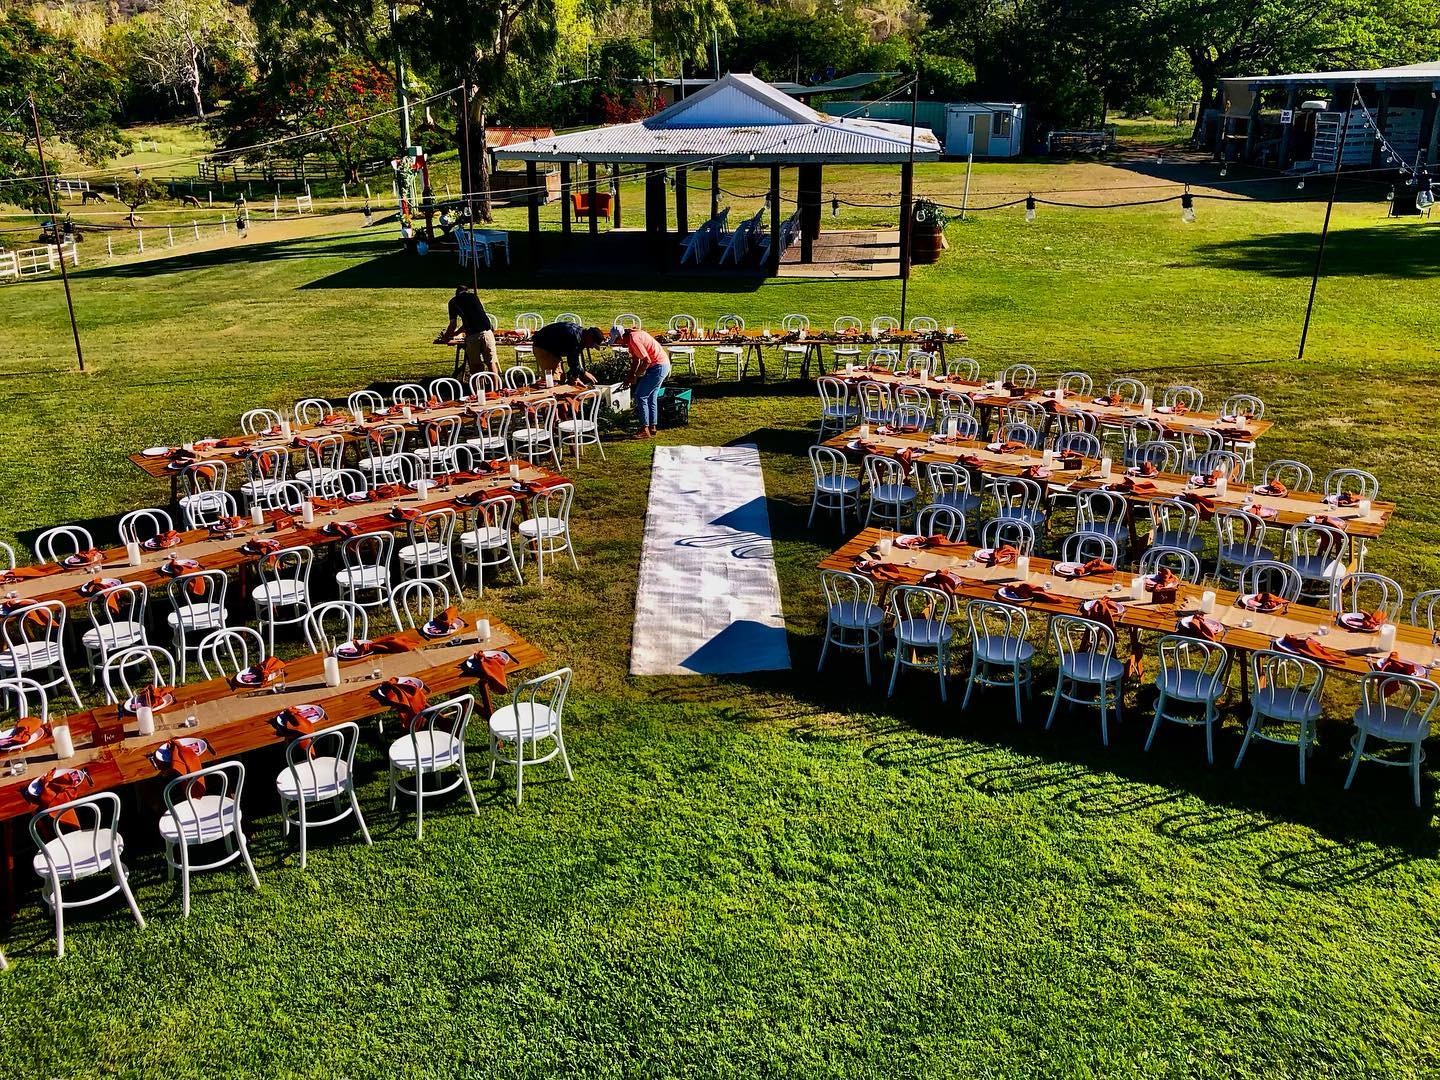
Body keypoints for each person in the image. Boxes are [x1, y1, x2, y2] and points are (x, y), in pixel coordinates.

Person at [612, 325, 670, 439]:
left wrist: (635, 376)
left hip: (658, 367)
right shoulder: (631, 338)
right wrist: (629, 376)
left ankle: (644, 429)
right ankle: (652, 427)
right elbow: (636, 360)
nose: (617, 344)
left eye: (616, 341)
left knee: (640, 395)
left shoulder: (634, 339)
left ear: (621, 337)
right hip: (662, 365)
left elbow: (646, 360)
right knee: (651, 396)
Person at [438, 285, 498, 379]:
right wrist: (455, 333)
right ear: (466, 291)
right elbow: (472, 320)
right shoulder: (474, 297)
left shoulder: (453, 302)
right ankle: (496, 387)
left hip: (473, 336)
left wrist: (446, 338)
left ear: (456, 292)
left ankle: (478, 386)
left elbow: (453, 324)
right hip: (488, 333)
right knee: (491, 363)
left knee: (475, 366)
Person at [531, 321, 604, 385]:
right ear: (590, 337)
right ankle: (544, 394)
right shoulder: (575, 337)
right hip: (543, 347)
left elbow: (574, 361)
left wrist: (575, 377)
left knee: (561, 378)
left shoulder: (581, 337)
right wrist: (584, 373)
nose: (591, 347)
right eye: (592, 344)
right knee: (554, 380)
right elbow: (573, 361)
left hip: (552, 350)